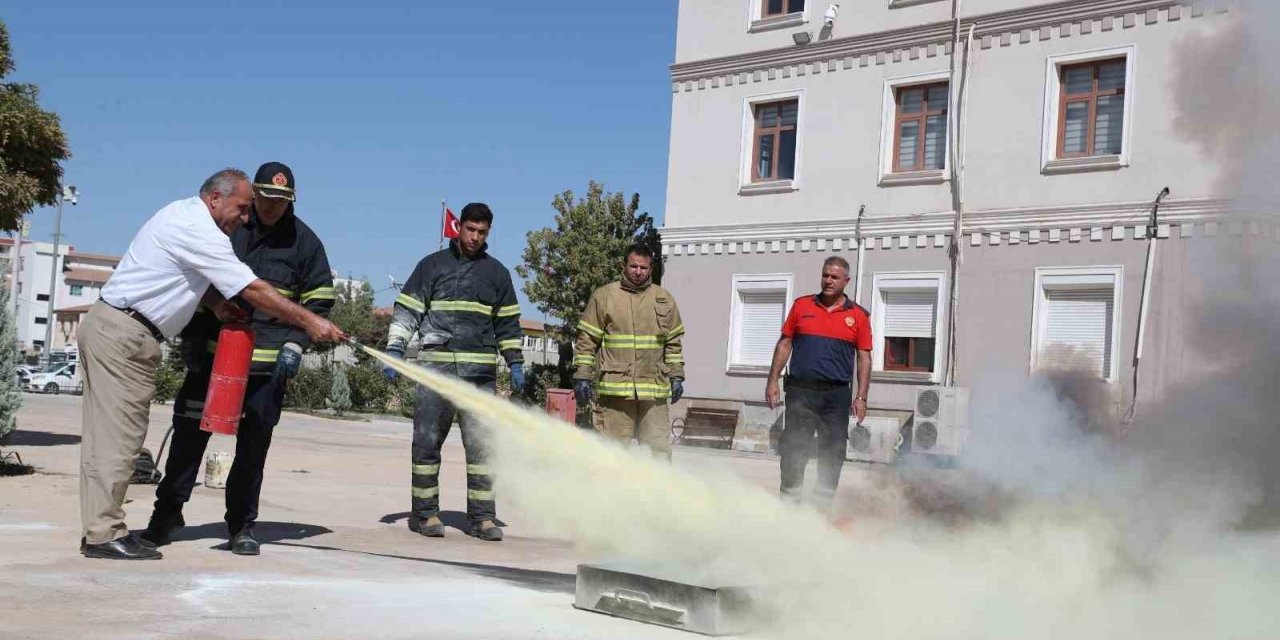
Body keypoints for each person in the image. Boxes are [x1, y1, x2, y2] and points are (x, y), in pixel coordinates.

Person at [78, 168, 343, 561]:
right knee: (135, 441)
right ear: (216, 198)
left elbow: (190, 283)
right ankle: (127, 528)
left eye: (270, 203)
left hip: (256, 365)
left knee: (243, 448)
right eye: (246, 205)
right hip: (176, 348)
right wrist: (308, 322)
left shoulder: (297, 240)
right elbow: (250, 288)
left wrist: (286, 337)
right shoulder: (205, 229)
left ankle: (237, 525)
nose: (250, 215)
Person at [382, 203, 524, 542]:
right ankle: (425, 514)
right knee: (427, 445)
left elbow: (507, 324)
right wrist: (395, 349)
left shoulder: (497, 274)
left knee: (482, 451)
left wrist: (516, 361)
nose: (475, 237)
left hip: (479, 377)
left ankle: (482, 519)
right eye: (470, 230)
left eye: (482, 233)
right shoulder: (432, 266)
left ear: (488, 233)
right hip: (437, 372)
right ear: (458, 227)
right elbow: (407, 312)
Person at [764, 256, 871, 510]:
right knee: (793, 450)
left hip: (836, 396)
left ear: (846, 281)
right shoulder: (802, 306)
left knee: (833, 453)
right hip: (801, 392)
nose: (828, 281)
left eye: (834, 277)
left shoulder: (858, 316)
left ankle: (820, 509)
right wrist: (772, 381)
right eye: (825, 275)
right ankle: (789, 504)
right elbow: (784, 344)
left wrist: (861, 397)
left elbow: (864, 358)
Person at [573, 243, 685, 459]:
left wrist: (677, 375)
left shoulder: (664, 299)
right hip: (616, 390)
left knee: (658, 452)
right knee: (612, 453)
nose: (638, 272)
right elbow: (587, 340)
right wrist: (582, 376)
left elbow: (673, 343)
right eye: (633, 266)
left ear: (651, 269)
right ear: (623, 265)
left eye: (644, 267)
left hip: (653, 391)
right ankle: (610, 493)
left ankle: (658, 492)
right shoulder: (604, 296)